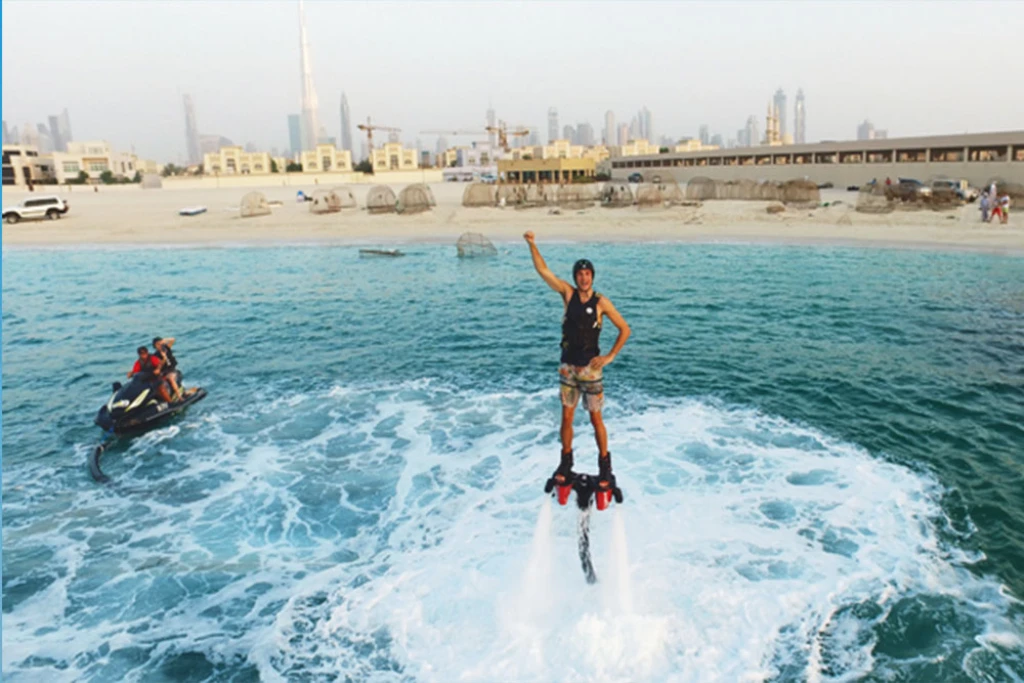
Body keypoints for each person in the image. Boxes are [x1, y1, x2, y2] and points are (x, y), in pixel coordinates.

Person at [524, 230, 631, 494]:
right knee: (567, 417)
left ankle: (605, 466)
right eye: (580, 274)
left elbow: (624, 329)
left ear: (592, 276)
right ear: (575, 277)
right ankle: (565, 462)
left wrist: (609, 357)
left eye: (587, 274)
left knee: (596, 419)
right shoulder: (568, 295)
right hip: (568, 369)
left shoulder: (601, 302)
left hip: (590, 371)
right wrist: (532, 244)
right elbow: (544, 271)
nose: (584, 278)